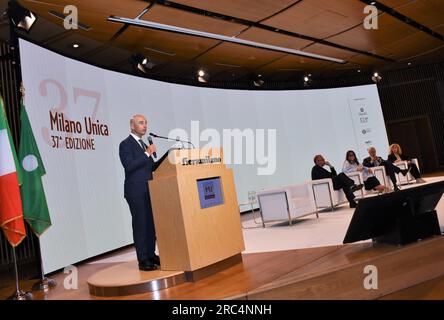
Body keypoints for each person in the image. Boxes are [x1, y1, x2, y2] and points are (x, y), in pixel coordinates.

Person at [119, 114, 160, 271]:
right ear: (132, 126)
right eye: (141, 123)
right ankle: (142, 259)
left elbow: (149, 168)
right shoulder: (126, 144)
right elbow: (129, 165)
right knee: (141, 224)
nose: (145, 126)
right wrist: (147, 154)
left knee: (150, 224)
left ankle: (150, 254)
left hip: (150, 190)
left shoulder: (144, 145)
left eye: (146, 123)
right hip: (135, 191)